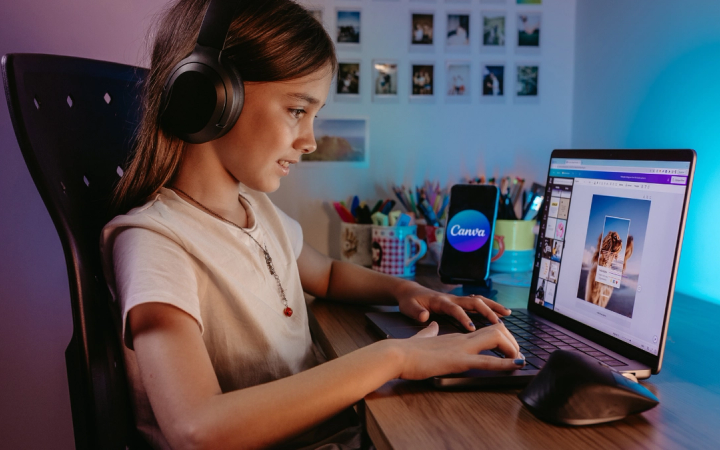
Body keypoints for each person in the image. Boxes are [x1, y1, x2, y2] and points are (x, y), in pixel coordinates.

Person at [101, 1, 524, 448]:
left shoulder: (255, 208)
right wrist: (396, 356)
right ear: (209, 95)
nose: (311, 140)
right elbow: (197, 429)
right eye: (298, 111)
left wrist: (407, 291)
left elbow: (328, 273)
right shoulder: (155, 244)